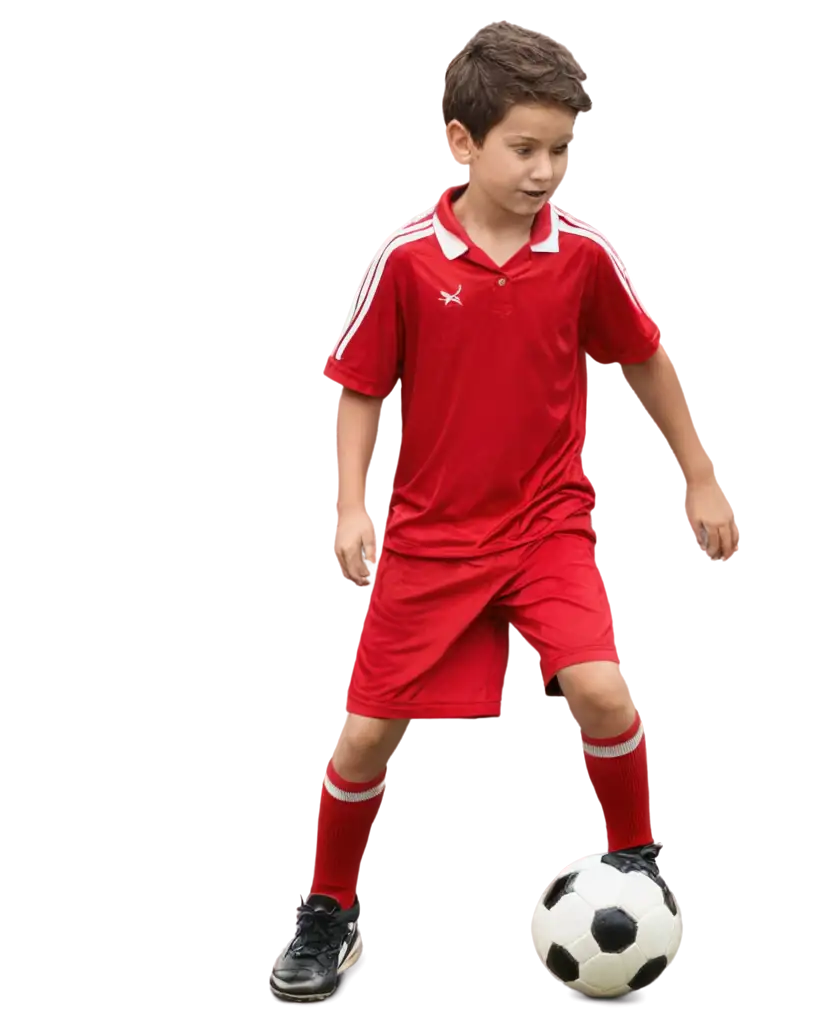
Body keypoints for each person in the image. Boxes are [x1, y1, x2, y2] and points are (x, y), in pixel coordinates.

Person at [267, 19, 742, 1003]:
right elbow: (362, 381)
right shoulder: (403, 257)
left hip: (544, 525)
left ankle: (637, 862)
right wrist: (351, 503)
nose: (544, 171)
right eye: (523, 148)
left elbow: (645, 359)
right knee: (362, 739)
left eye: (560, 150)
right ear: (460, 142)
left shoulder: (584, 256)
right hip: (431, 537)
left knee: (605, 693)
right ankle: (327, 907)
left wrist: (701, 473)